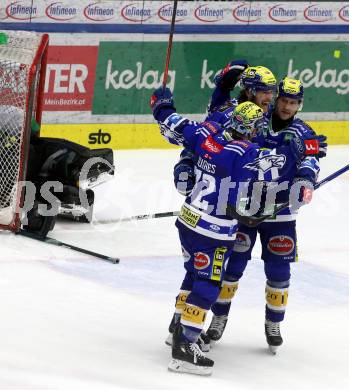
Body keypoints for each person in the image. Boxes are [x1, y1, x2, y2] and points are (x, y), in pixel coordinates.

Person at [150, 86, 327, 375]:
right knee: (208, 285)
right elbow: (267, 180)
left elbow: (174, 123)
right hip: (214, 230)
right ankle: (185, 349)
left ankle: (178, 331)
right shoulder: (246, 154)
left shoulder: (206, 134)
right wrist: (305, 171)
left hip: (187, 221)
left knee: (193, 275)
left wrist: (162, 104)